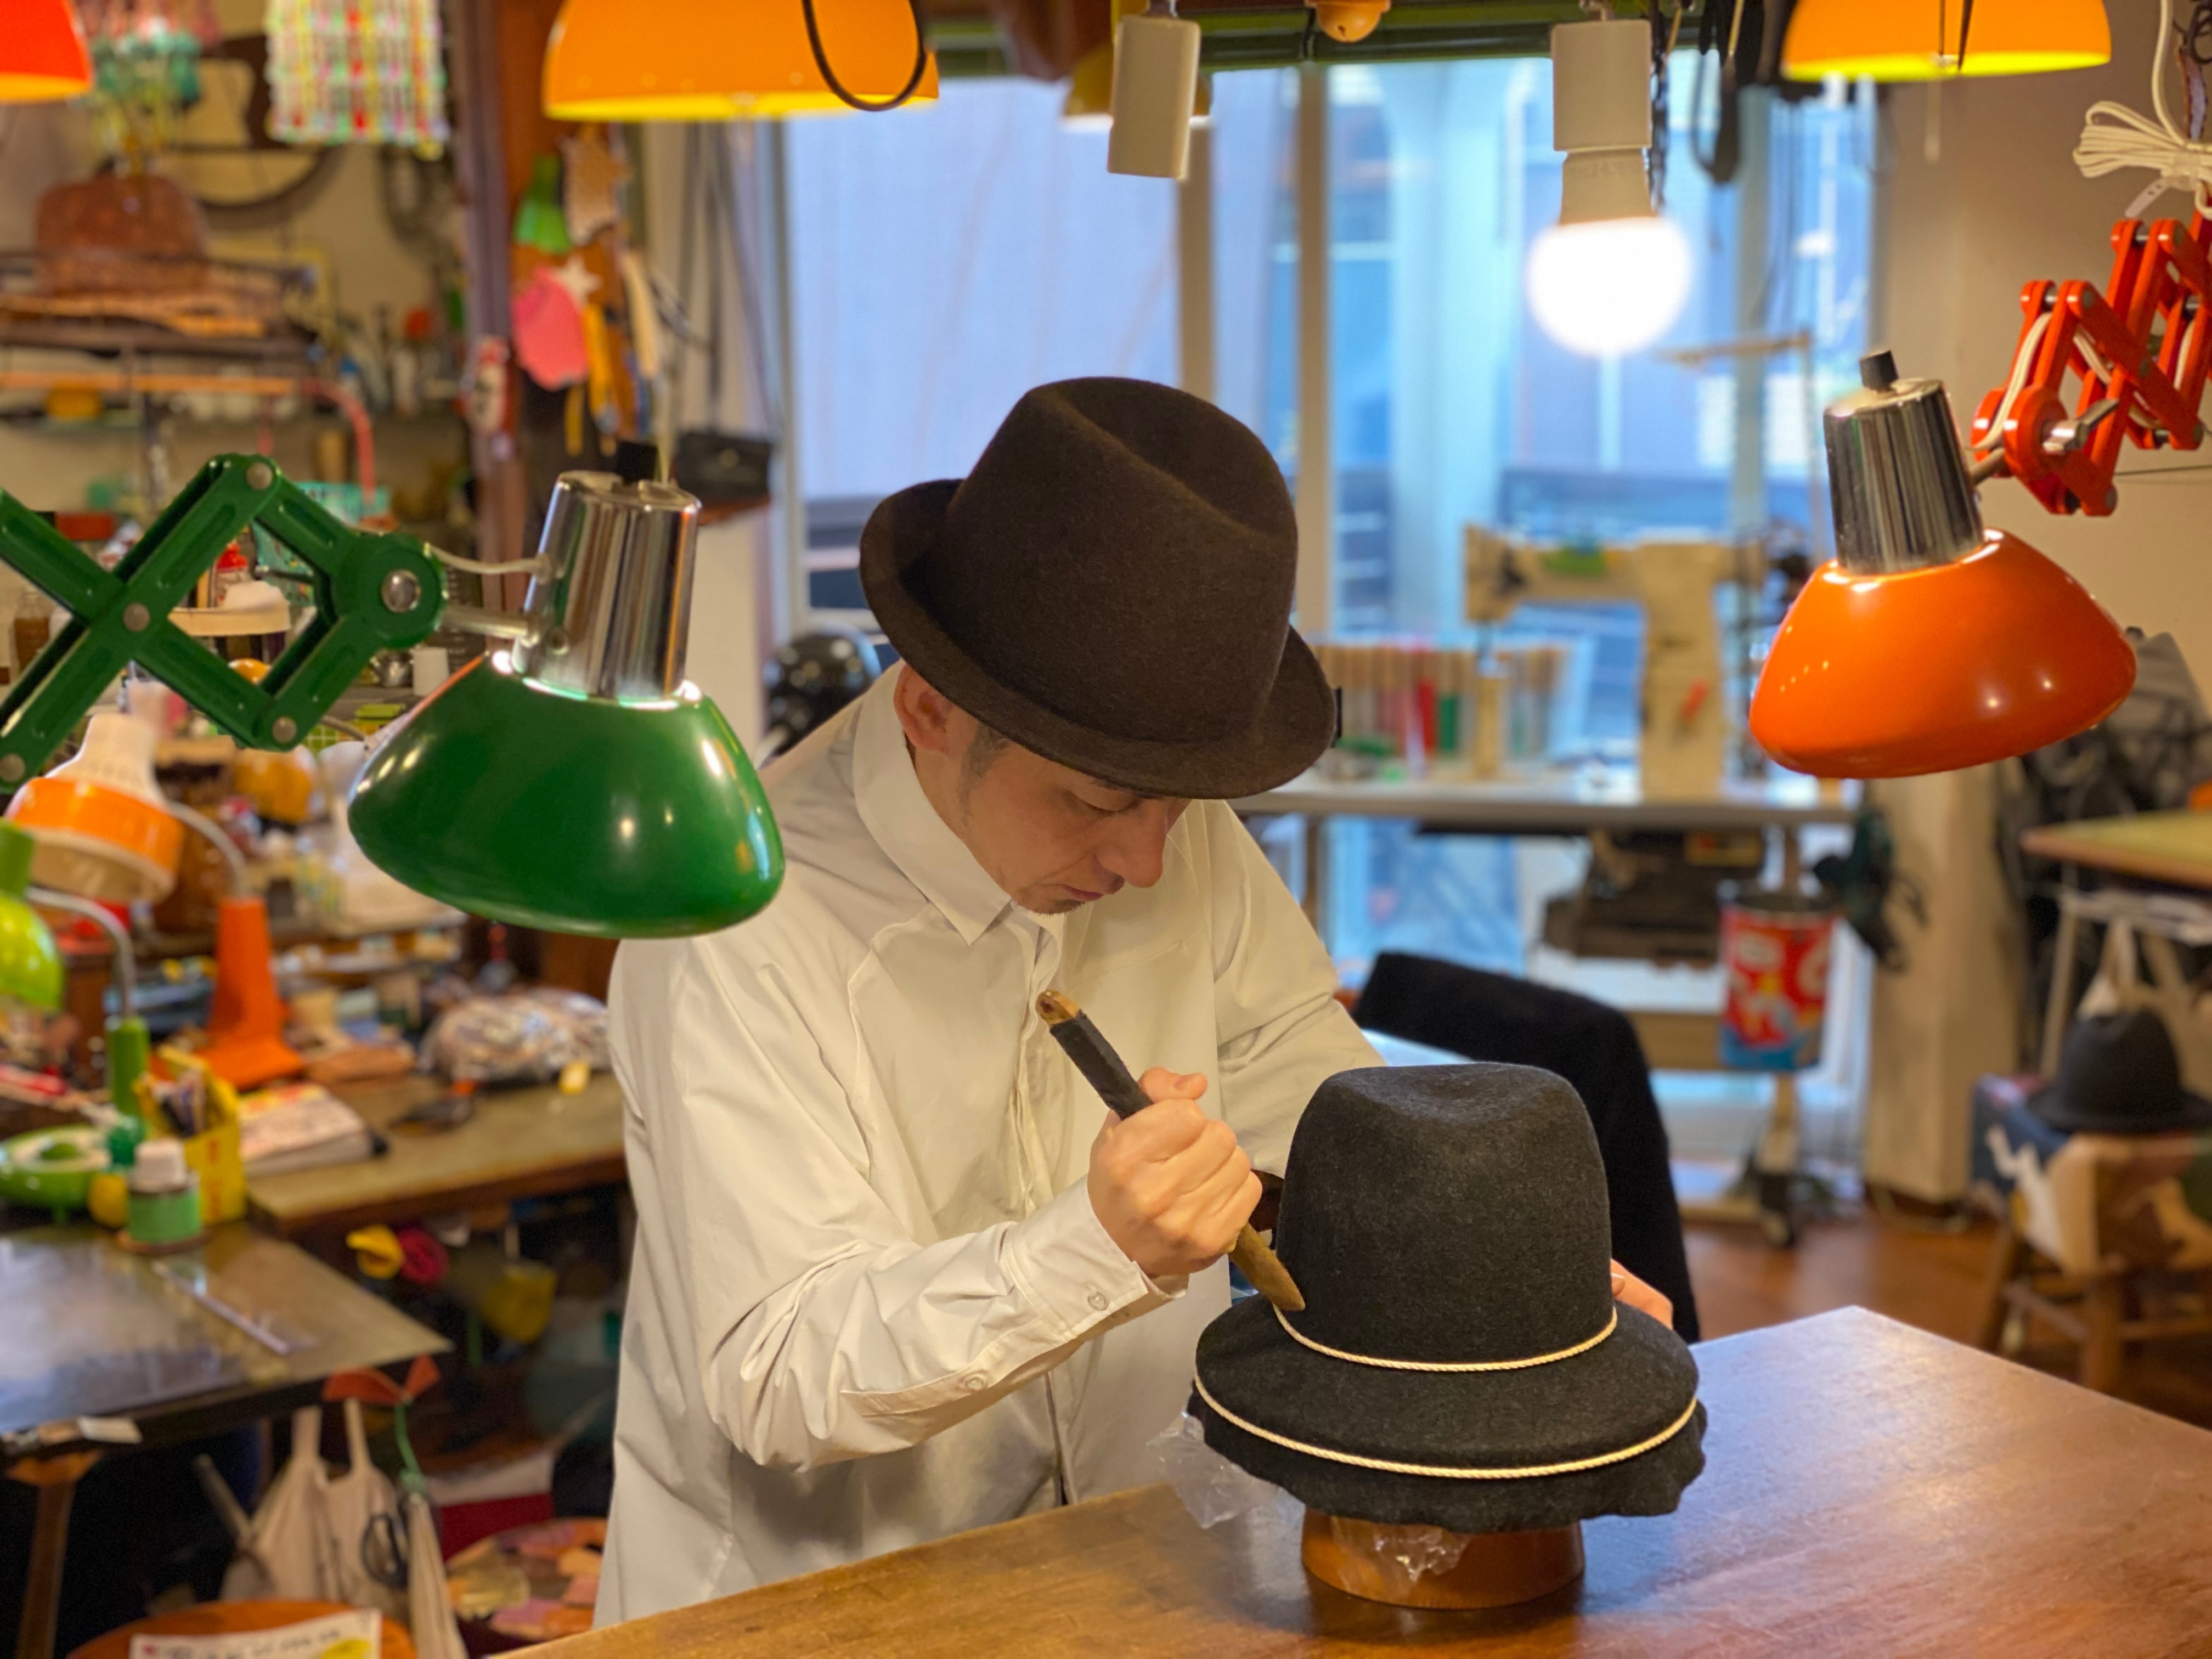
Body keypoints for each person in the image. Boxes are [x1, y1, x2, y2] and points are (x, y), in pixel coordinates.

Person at [596, 379, 1672, 1621]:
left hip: (1124, 1559)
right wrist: (1094, 1252)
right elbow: (777, 1371)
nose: (1151, 862)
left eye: (1182, 804)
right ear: (929, 709)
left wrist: (1473, 1258)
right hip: (815, 1608)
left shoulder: (1154, 811)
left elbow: (1288, 1053)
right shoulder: (732, 922)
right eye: (1098, 804)